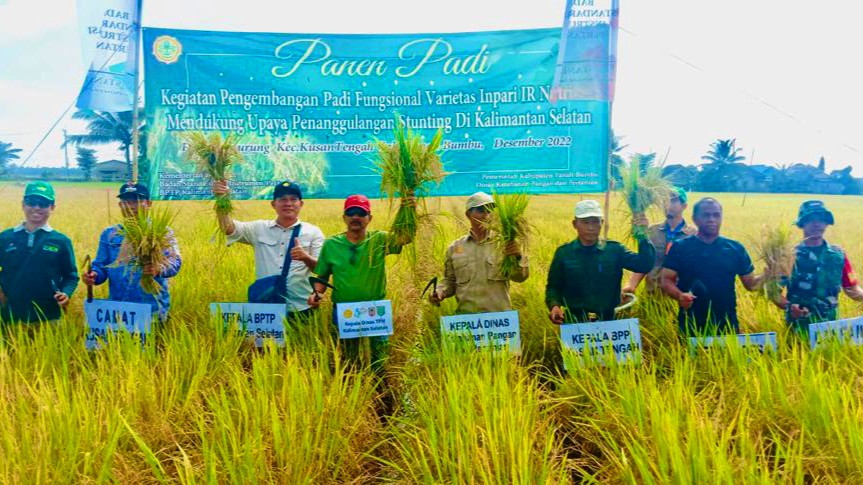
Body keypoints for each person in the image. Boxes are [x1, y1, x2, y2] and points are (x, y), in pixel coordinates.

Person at [307, 194, 414, 374]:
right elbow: (322, 276)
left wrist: (408, 207)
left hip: (375, 311)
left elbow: (405, 237)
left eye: (361, 213)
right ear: (344, 217)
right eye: (351, 212)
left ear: (369, 218)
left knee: (379, 356)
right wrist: (317, 293)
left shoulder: (380, 240)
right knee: (349, 357)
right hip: (344, 311)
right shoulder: (331, 245)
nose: (355, 217)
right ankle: (353, 389)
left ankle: (380, 387)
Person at [212, 180, 324, 322]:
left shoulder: (313, 232)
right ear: (273, 204)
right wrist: (221, 199)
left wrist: (305, 257)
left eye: (293, 199)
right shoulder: (259, 229)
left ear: (301, 204)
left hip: (301, 306)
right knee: (266, 344)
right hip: (266, 307)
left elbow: (321, 269)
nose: (288, 203)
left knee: (300, 343)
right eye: (282, 199)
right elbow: (228, 228)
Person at [661, 197, 762, 337]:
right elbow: (666, 279)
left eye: (716, 215)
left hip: (727, 323)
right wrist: (679, 296)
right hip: (691, 322)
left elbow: (751, 285)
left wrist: (770, 274)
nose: (711, 219)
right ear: (695, 218)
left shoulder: (735, 248)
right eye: (706, 215)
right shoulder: (680, 247)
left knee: (726, 358)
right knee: (689, 358)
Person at [81, 183, 181, 321]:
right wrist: (94, 275)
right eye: (126, 201)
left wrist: (158, 268)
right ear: (120, 205)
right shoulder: (109, 234)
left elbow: (175, 262)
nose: (131, 206)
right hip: (119, 309)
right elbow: (101, 265)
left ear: (149, 203)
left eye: (137, 201)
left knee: (153, 342)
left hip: (153, 310)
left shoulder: (162, 231)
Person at [546, 200, 654, 324]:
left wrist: (643, 235)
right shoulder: (564, 253)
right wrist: (554, 306)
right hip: (575, 320)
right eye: (585, 222)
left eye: (595, 221)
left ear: (602, 223)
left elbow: (644, 264)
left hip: (609, 319)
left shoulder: (615, 250)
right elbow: (553, 286)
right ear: (575, 224)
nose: (591, 227)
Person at [772, 200, 863, 333]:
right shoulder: (788, 256)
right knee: (797, 353)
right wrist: (790, 307)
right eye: (811, 220)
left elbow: (852, 289)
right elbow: (774, 293)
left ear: (826, 223)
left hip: (831, 326)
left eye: (821, 220)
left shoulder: (838, 255)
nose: (817, 224)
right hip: (799, 326)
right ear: (802, 224)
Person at [430, 192, 529, 313]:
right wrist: (440, 291)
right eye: (481, 210)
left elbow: (520, 277)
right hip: (468, 320)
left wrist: (518, 257)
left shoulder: (505, 244)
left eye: (490, 210)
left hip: (500, 321)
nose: (487, 215)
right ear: (468, 215)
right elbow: (450, 281)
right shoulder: (455, 248)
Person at [0, 182, 78, 323]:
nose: (36, 207)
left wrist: (66, 294)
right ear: (23, 204)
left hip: (49, 316)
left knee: (48, 345)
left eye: (43, 203)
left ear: (52, 207)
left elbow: (71, 276)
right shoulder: (5, 237)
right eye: (32, 202)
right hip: (9, 316)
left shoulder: (60, 241)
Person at [623, 187, 696, 294]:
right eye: (665, 200)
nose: (667, 204)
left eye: (673, 200)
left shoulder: (693, 235)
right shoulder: (652, 231)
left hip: (680, 298)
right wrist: (631, 285)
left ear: (684, 206)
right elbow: (644, 262)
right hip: (651, 295)